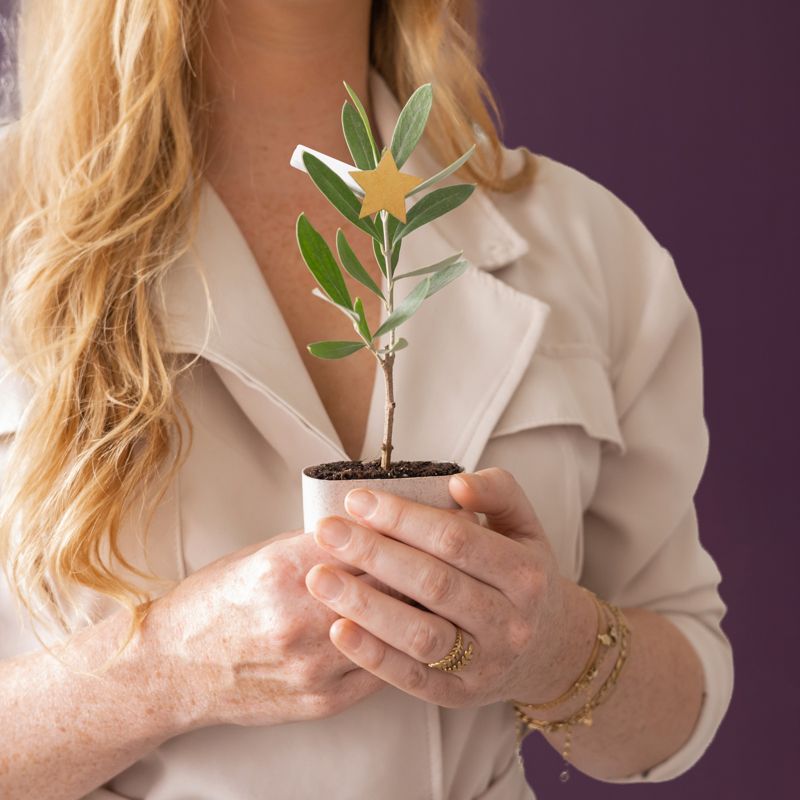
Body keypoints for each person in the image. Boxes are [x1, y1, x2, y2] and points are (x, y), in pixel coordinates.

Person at [0, 1, 734, 799]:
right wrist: (163, 672)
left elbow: (681, 698)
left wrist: (555, 647)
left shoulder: (586, 242)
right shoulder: (16, 223)